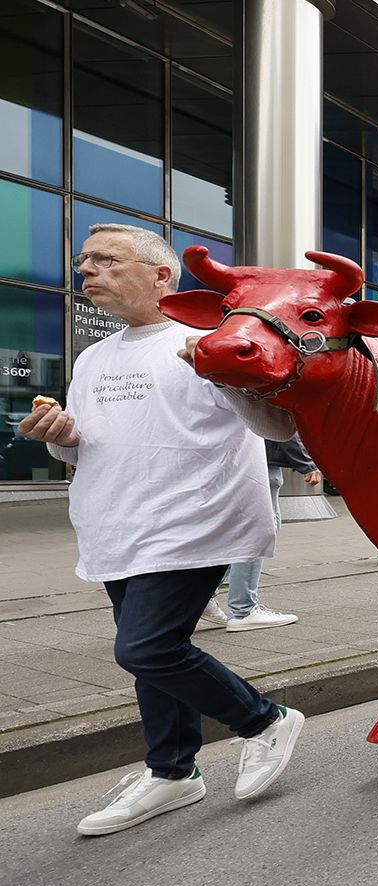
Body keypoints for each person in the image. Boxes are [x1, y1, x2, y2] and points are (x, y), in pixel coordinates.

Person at [14, 223, 305, 835]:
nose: (85, 271)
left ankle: (264, 720)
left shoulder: (211, 339)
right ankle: (172, 771)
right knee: (152, 657)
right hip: (115, 523)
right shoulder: (94, 356)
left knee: (145, 647)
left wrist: (228, 374)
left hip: (193, 520)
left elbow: (279, 428)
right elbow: (86, 446)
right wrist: (62, 438)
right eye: (82, 262)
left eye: (105, 260)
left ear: (161, 275)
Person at [203, 434, 319, 631]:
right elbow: (276, 421)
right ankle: (244, 610)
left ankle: (202, 596)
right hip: (259, 460)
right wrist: (306, 463)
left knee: (242, 532)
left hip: (234, 458)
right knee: (259, 531)